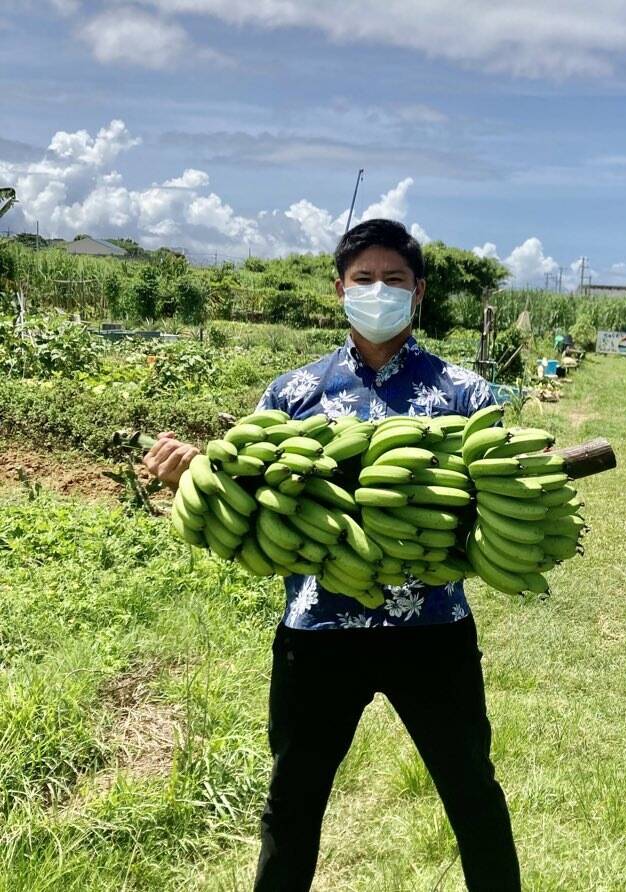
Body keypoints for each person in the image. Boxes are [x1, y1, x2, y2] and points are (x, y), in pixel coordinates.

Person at [143, 219, 521, 891]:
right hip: (316, 631)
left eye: (395, 280)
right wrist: (192, 474)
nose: (380, 291)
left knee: (473, 795)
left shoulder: (467, 396)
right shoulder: (294, 395)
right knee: (292, 805)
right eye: (365, 279)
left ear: (419, 292)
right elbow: (252, 495)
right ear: (339, 290)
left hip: (432, 629)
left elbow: (496, 502)